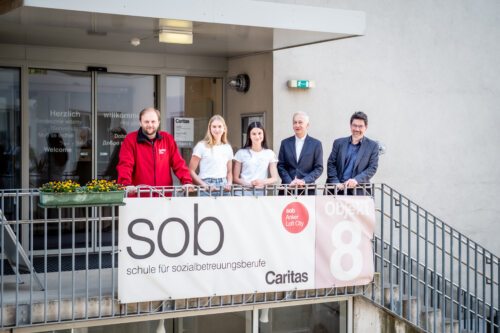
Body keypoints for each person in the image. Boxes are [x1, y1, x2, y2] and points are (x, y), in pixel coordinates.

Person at [117, 107, 192, 193]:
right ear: (140, 123)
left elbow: (178, 163)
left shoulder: (167, 139)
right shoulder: (130, 140)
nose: (150, 125)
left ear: (158, 123)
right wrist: (126, 184)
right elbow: (125, 165)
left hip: (164, 196)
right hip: (139, 197)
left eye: (153, 121)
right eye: (146, 122)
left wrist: (186, 181)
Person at [326, 111, 379, 195]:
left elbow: (372, 168)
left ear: (366, 127)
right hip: (336, 190)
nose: (357, 129)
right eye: (355, 125)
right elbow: (331, 164)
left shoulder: (372, 146)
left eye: (360, 126)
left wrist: (356, 180)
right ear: (350, 126)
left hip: (359, 191)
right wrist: (336, 182)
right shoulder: (338, 143)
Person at [277, 111, 323, 195]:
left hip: (307, 190)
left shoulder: (316, 144)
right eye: (295, 122)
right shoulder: (285, 143)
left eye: (300, 122)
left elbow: (318, 168)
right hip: (287, 190)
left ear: (307, 125)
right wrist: (289, 182)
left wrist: (304, 181)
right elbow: (281, 166)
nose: (297, 125)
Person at [189, 115, 233, 195]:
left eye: (220, 126)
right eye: (214, 127)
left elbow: (229, 172)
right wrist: (204, 185)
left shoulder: (228, 147)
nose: (217, 129)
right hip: (206, 186)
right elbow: (191, 170)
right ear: (209, 128)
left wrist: (229, 184)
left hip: (223, 186)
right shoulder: (201, 146)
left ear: (224, 129)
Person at [233, 121, 278, 195]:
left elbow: (274, 178)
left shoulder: (270, 153)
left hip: (261, 193)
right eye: (254, 134)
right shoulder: (241, 153)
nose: (257, 136)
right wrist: (249, 184)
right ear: (249, 136)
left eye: (260, 133)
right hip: (242, 193)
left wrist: (262, 182)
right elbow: (235, 178)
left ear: (263, 135)